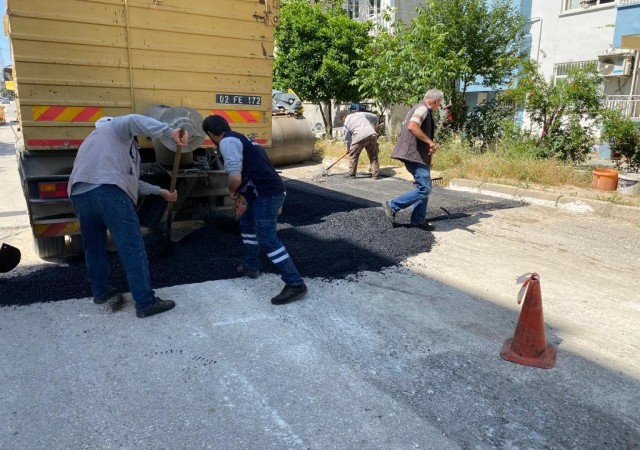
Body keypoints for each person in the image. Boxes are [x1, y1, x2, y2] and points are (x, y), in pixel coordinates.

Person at [68, 114, 189, 318]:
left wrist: (161, 192)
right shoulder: (113, 128)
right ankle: (145, 302)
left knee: (94, 246)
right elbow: (133, 120)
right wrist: (170, 131)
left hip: (80, 195)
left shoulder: (92, 142)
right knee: (132, 246)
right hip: (109, 194)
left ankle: (101, 292)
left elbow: (130, 181)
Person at [202, 114, 308, 305]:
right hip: (263, 193)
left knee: (267, 238)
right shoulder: (240, 138)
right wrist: (241, 196)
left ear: (210, 134)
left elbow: (235, 178)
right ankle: (251, 266)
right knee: (247, 224)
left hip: (267, 194)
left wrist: (232, 192)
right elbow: (251, 170)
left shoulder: (227, 142)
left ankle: (295, 283)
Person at [381, 89, 444, 231]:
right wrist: (430, 142)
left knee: (423, 186)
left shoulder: (420, 108)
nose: (438, 107)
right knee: (425, 189)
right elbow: (412, 126)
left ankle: (418, 219)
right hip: (414, 155)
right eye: (439, 104)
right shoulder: (422, 109)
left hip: (418, 155)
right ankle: (392, 205)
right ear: (437, 101)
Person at [340, 111, 381, 179]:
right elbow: (375, 117)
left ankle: (351, 174)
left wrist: (349, 149)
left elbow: (348, 139)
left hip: (359, 136)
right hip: (372, 134)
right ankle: (376, 174)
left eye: (342, 120)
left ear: (343, 117)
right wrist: (373, 126)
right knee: (373, 155)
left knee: (353, 155)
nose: (343, 121)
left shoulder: (346, 124)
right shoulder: (360, 114)